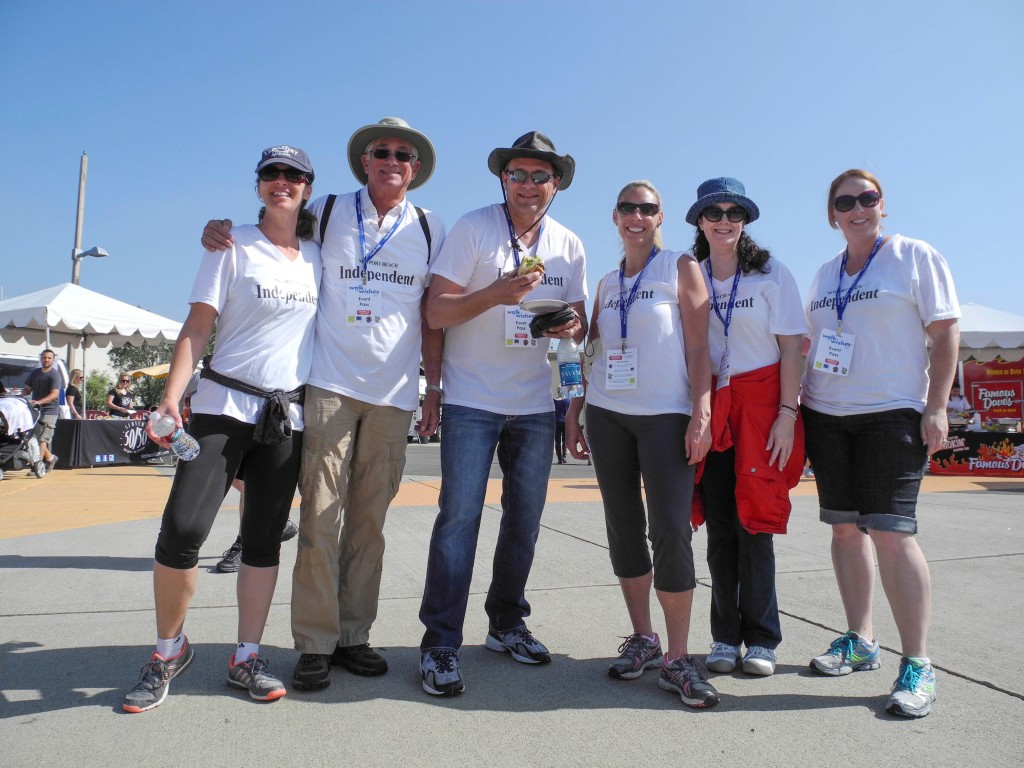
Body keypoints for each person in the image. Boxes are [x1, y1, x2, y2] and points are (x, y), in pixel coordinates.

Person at [201, 117, 444, 691]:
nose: (391, 160)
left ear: (414, 168)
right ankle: (313, 642)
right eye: (381, 151)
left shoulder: (431, 227)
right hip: (329, 386)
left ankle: (353, 636)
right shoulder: (330, 212)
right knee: (319, 518)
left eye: (402, 155)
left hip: (392, 396)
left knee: (369, 522)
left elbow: (434, 314)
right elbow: (272, 227)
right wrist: (218, 230)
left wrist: (433, 388)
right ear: (366, 161)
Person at [121, 145, 321, 712]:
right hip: (221, 407)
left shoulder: (319, 254)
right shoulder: (230, 244)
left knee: (262, 539)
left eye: (293, 175)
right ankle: (168, 649)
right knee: (183, 529)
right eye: (270, 174)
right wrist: (170, 399)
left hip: (287, 415)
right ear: (258, 185)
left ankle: (246, 657)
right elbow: (197, 325)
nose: (281, 182)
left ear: (307, 186)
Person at [418, 131, 586, 696]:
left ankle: (506, 623)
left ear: (556, 184)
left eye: (541, 176)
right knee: (458, 519)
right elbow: (436, 311)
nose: (529, 185)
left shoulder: (570, 244)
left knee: (524, 522)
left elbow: (577, 329)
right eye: (519, 174)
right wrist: (494, 294)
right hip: (472, 399)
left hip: (536, 404)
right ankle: (441, 641)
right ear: (502, 179)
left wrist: (570, 337)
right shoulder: (473, 228)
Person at [802, 169, 960, 719]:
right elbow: (813, 345)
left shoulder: (913, 256)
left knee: (892, 534)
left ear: (882, 205)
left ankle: (917, 661)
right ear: (832, 214)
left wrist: (936, 405)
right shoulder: (824, 274)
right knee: (846, 530)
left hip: (891, 413)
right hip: (827, 414)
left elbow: (945, 333)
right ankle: (860, 638)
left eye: (867, 198)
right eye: (845, 202)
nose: (857, 208)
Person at [565, 180, 717, 708]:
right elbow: (590, 352)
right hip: (608, 416)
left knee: (670, 529)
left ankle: (679, 658)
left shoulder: (680, 267)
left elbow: (699, 346)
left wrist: (702, 410)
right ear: (614, 216)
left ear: (660, 218)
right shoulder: (606, 283)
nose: (636, 216)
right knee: (623, 527)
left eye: (646, 209)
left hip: (666, 416)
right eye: (627, 207)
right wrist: (576, 410)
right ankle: (644, 639)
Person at [684, 178, 807, 679]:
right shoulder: (688, 273)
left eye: (734, 212)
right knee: (719, 530)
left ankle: (762, 639)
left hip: (761, 412)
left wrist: (787, 414)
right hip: (713, 408)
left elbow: (793, 348)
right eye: (714, 211)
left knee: (755, 525)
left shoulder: (771, 273)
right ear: (699, 220)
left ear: (745, 221)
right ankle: (722, 636)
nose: (724, 219)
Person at [23, 349, 61, 470]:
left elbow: (55, 394)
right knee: (32, 437)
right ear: (41, 358)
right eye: (44, 357)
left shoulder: (54, 375)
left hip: (50, 410)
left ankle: (37, 466)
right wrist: (18, 395)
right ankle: (50, 458)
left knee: (42, 439)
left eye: (49, 358)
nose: (46, 360)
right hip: (35, 410)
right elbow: (27, 390)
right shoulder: (34, 373)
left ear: (53, 360)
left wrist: (39, 401)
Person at [553, 396, 568, 463]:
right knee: (565, 440)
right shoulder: (567, 400)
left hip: (556, 422)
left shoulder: (553, 401)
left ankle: (559, 458)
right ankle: (564, 457)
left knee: (557, 441)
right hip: (565, 422)